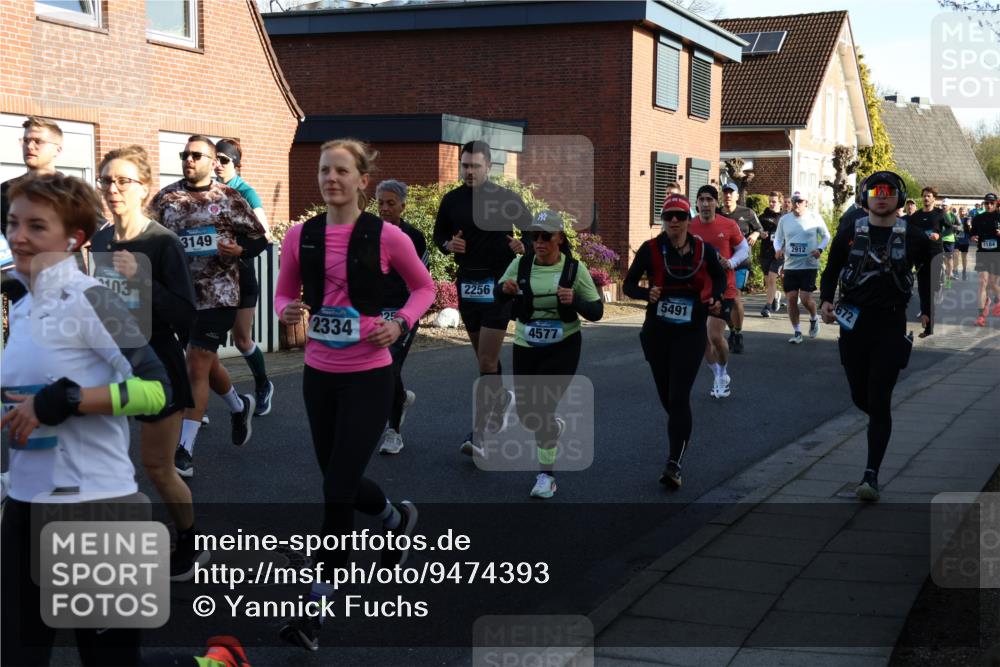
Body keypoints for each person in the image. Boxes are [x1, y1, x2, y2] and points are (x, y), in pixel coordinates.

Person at [1, 173, 170, 665]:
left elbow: (157, 391)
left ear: (73, 239)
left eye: (36, 226)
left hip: (95, 508)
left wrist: (70, 400)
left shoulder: (92, 298)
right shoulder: (25, 305)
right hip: (24, 505)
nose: (18, 237)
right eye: (12, 223)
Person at [274, 139, 434, 651]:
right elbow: (284, 291)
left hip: (369, 376)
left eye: (342, 171)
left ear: (362, 180)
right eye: (325, 170)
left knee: (337, 490)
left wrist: (400, 322)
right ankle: (395, 518)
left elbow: (424, 288)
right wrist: (285, 310)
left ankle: (314, 613)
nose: (331, 178)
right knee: (336, 480)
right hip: (319, 375)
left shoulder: (387, 236)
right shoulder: (300, 235)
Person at [88, 145, 210, 579]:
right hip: (109, 362)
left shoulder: (162, 242)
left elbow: (186, 315)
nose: (114, 189)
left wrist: (139, 278)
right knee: (100, 462)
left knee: (157, 467)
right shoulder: (101, 239)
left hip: (155, 363)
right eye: (107, 180)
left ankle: (190, 542)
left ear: (144, 188)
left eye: (124, 181)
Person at [149, 135, 267, 478]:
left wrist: (240, 250)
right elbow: (148, 236)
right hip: (181, 297)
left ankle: (184, 449)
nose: (188, 159)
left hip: (220, 294)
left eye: (196, 155)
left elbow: (259, 238)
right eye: (184, 154)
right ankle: (238, 405)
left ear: (212, 161)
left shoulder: (228, 197)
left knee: (196, 364)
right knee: (206, 362)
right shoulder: (166, 198)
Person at [819, 171, 939, 501]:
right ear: (865, 197)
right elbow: (832, 268)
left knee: (879, 397)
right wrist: (826, 299)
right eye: (875, 191)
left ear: (899, 197)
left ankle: (870, 476)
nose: (882, 196)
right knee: (861, 396)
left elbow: (928, 275)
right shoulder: (850, 230)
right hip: (853, 322)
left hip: (890, 323)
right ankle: (880, 421)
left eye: (888, 191)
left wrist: (929, 309)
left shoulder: (913, 236)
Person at [432, 140, 531, 456]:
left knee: (487, 360)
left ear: (489, 166)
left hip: (499, 285)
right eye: (465, 165)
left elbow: (532, 232)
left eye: (475, 166)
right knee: (483, 359)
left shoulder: (506, 198)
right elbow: (438, 236)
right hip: (468, 284)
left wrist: (523, 245)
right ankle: (500, 399)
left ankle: (482, 433)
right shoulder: (452, 200)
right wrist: (448, 245)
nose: (469, 171)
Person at [498, 210, 603, 498]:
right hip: (525, 343)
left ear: (560, 238)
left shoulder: (574, 270)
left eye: (546, 236)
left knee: (542, 407)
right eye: (535, 236)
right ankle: (552, 427)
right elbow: (498, 294)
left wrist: (575, 300)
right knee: (527, 414)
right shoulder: (520, 264)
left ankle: (547, 476)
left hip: (563, 346)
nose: (539, 242)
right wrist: (505, 290)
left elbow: (596, 311)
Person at [623, 194, 726, 488]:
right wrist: (646, 294)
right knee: (668, 398)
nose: (674, 221)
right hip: (657, 333)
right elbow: (629, 284)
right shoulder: (650, 249)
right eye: (669, 216)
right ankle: (681, 428)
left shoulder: (703, 250)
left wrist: (716, 298)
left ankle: (674, 463)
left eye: (680, 216)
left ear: (688, 220)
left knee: (679, 396)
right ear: (663, 221)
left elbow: (719, 278)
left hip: (690, 332)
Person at [214, 138, 275, 416]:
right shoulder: (207, 191)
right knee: (202, 345)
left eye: (224, 160)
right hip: (212, 279)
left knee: (241, 339)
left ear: (236, 163)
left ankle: (263, 384)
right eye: (215, 159)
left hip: (241, 276)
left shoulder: (246, 193)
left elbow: (265, 233)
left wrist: (239, 248)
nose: (218, 164)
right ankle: (196, 404)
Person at [374, 179, 429, 455]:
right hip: (374, 312)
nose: (384, 208)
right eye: (380, 203)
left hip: (403, 312)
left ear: (403, 207)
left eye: (390, 203)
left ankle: (393, 432)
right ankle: (401, 397)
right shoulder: (368, 234)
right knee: (379, 370)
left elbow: (423, 283)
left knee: (390, 366)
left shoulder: (414, 237)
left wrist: (407, 314)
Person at [692, 185, 747, 399]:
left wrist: (731, 262)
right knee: (701, 340)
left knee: (715, 335)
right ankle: (717, 374)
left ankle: (723, 372)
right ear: (697, 203)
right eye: (701, 199)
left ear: (716, 203)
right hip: (697, 290)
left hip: (723, 289)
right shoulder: (690, 226)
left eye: (709, 199)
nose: (705, 204)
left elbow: (743, 249)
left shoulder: (729, 225)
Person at [774, 191, 830, 343]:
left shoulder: (814, 217)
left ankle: (814, 318)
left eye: (800, 201)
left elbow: (826, 236)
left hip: (809, 264)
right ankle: (797, 332)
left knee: (805, 299)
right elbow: (778, 239)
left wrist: (819, 249)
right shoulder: (785, 220)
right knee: (791, 299)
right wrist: (777, 249)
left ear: (806, 203)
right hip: (790, 266)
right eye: (794, 201)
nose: (797, 204)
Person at [1, 116, 63, 238]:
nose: (29, 146)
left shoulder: (74, 192)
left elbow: (98, 238)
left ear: (57, 150)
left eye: (38, 141)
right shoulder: (4, 190)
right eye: (26, 140)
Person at [717, 181, 761, 353]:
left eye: (731, 193)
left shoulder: (747, 213)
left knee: (735, 297)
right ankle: (732, 329)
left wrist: (755, 234)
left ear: (737, 196)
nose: (728, 195)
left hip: (740, 263)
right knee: (721, 300)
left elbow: (759, 228)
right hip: (721, 263)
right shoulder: (717, 213)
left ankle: (738, 333)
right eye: (725, 192)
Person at [969, 192, 1000, 327]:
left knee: (992, 284)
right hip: (982, 253)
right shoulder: (978, 218)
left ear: (996, 204)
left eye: (991, 203)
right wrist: (973, 237)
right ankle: (981, 316)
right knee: (983, 282)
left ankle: (995, 300)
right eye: (986, 203)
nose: (989, 205)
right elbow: (972, 233)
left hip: (997, 254)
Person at [758, 191, 785, 317]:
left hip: (779, 253)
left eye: (774, 201)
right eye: (770, 201)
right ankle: (776, 295)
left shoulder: (785, 218)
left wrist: (783, 249)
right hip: (765, 252)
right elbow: (755, 231)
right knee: (768, 281)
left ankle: (767, 307)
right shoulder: (762, 217)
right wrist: (760, 234)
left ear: (780, 202)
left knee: (772, 278)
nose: (771, 204)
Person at [956, 206, 971, 280]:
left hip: (965, 240)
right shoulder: (956, 218)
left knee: (964, 257)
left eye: (963, 211)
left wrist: (969, 225)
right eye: (961, 211)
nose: (962, 212)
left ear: (966, 212)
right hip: (956, 240)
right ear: (959, 211)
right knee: (955, 256)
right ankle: (955, 271)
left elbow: (971, 230)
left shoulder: (968, 219)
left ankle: (964, 271)